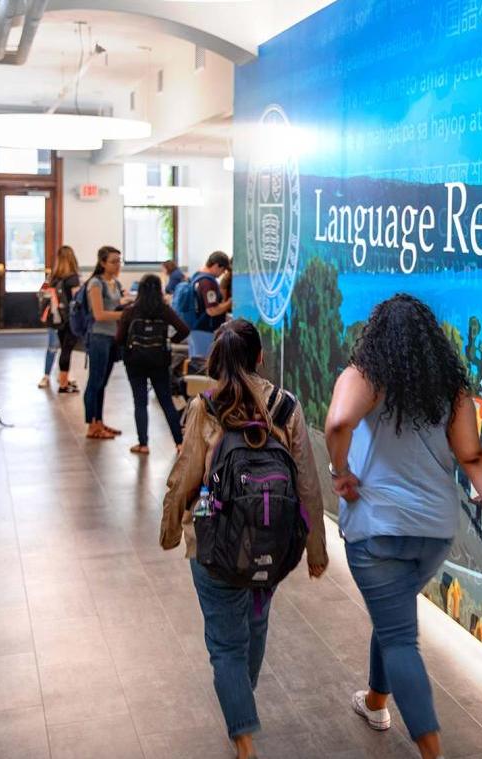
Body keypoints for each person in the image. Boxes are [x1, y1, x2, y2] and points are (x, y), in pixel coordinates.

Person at [323, 293, 482, 759]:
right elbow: (472, 457)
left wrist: (339, 472)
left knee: (399, 638)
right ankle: (375, 702)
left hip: (379, 529)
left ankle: (432, 752)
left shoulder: (365, 378)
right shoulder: (451, 393)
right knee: (393, 617)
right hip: (433, 532)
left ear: (377, 336)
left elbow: (337, 423)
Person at [160, 319, 329, 759]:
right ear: (259, 357)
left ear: (217, 359)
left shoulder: (206, 406)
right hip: (269, 547)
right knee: (254, 627)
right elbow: (307, 483)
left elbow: (187, 474)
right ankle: (242, 694)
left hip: (213, 546)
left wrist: (171, 526)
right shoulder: (286, 407)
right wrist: (315, 550)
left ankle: (244, 739)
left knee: (224, 644)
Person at [117, 273, 189, 454]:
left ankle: (143, 444)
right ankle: (179, 443)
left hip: (135, 362)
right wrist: (170, 340)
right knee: (166, 402)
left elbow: (119, 338)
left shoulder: (130, 311)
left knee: (140, 403)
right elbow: (184, 329)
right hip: (159, 361)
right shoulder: (164, 310)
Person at [83, 245, 127, 439]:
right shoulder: (96, 283)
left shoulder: (114, 283)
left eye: (119, 261)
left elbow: (117, 305)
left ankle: (99, 421)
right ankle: (91, 424)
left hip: (112, 337)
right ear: (102, 263)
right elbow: (99, 314)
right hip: (99, 337)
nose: (117, 265)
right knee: (95, 381)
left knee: (103, 382)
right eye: (113, 261)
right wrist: (124, 313)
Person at [40, 246, 81, 393]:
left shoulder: (54, 278)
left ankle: (59, 378)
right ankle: (63, 384)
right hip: (70, 319)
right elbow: (77, 300)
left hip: (57, 319)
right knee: (66, 350)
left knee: (60, 348)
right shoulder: (73, 278)